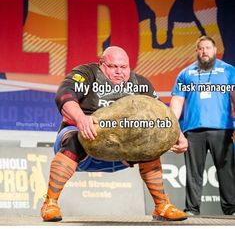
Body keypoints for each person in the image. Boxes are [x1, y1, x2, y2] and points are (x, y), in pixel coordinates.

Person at [41, 46, 188, 222]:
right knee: (74, 138)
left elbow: (161, 114)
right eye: (113, 67)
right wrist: (81, 118)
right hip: (84, 142)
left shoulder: (140, 84)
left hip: (122, 150)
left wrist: (178, 134)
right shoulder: (86, 74)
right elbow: (64, 95)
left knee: (150, 144)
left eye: (124, 67)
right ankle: (50, 203)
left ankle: (162, 206)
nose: (119, 72)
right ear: (101, 64)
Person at [170, 36, 235, 216]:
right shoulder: (185, 74)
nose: (204, 51)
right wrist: (174, 130)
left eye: (208, 47)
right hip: (193, 130)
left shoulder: (228, 71)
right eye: (200, 48)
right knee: (193, 173)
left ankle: (231, 209)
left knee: (226, 170)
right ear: (197, 51)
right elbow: (177, 102)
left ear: (215, 50)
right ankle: (192, 209)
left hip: (222, 129)